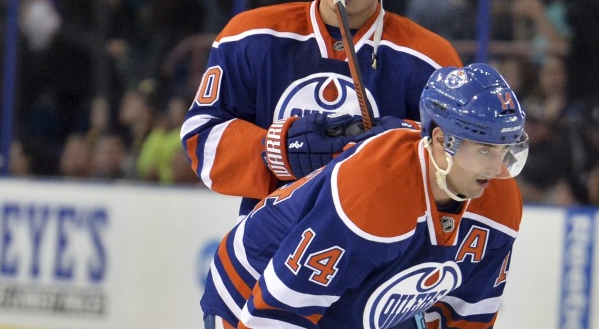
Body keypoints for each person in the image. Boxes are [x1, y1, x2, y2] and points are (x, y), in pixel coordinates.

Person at [200, 63, 529, 328]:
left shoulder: (500, 201)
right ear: (441, 142)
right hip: (254, 284)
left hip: (359, 300)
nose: (498, 168)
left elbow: (468, 318)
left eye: (506, 148)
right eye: (485, 149)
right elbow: (276, 314)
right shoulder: (375, 190)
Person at [181, 0, 462, 217]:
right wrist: (277, 150)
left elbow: (459, 165)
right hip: (269, 245)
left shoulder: (430, 60)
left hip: (377, 254)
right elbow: (201, 137)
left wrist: (400, 146)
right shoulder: (250, 38)